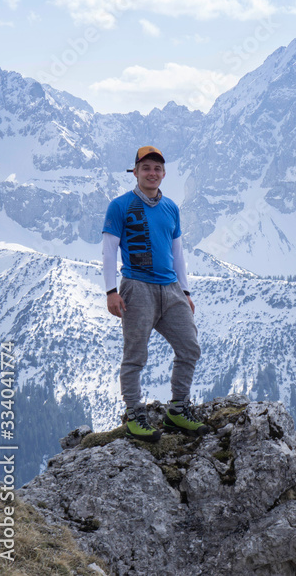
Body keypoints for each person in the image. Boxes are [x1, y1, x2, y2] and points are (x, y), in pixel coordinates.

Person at [102, 146, 209, 442]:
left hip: (171, 288)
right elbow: (110, 250)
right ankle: (135, 414)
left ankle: (178, 409)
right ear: (135, 172)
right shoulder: (120, 206)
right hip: (136, 287)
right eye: (146, 168)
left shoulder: (171, 208)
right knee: (135, 354)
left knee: (189, 347)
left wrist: (185, 291)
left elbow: (178, 252)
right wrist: (111, 290)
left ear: (164, 174)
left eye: (157, 169)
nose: (152, 173)